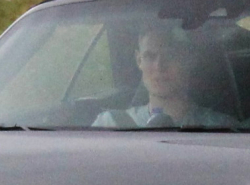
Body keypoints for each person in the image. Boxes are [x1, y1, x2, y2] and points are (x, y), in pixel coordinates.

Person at [95, 24, 232, 128]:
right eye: (150, 56)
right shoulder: (109, 124)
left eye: (170, 56)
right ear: (139, 60)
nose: (159, 66)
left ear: (188, 60)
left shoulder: (222, 128)